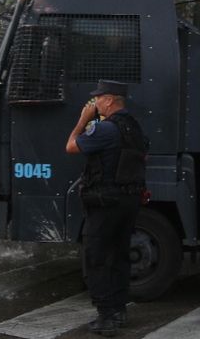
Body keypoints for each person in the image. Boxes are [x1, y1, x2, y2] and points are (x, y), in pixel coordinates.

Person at [65, 80, 148, 337]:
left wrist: (83, 119)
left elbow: (70, 146)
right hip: (128, 201)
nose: (95, 102)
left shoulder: (106, 129)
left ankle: (107, 316)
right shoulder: (133, 127)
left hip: (105, 203)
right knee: (120, 256)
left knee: (97, 259)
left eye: (98, 98)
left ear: (110, 100)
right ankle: (119, 310)